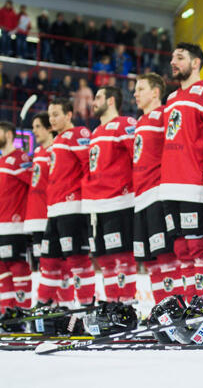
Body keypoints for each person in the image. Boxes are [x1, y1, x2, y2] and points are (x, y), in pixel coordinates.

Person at [160, 42, 203, 302]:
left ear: (196, 63)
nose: (174, 62)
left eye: (180, 57)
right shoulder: (171, 98)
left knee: (199, 247)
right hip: (170, 185)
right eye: (173, 57)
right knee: (181, 248)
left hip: (195, 183)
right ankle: (187, 306)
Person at [82, 86, 138, 302]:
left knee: (122, 257)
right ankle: (113, 305)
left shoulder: (125, 124)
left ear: (111, 100)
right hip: (96, 206)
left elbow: (138, 156)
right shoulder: (95, 132)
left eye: (98, 97)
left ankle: (127, 304)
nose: (93, 102)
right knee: (104, 259)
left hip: (119, 202)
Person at [40, 98, 94, 306]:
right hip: (54, 209)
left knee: (77, 260)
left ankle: (86, 307)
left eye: (56, 114)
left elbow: (89, 165)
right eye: (50, 115)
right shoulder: (58, 140)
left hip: (73, 208)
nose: (51, 119)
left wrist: (86, 198)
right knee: (50, 261)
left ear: (69, 115)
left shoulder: (78, 134)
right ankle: (50, 307)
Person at [132, 73, 178, 302]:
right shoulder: (140, 121)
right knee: (150, 260)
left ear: (155, 92)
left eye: (140, 89)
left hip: (157, 195)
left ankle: (175, 306)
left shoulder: (164, 115)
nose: (135, 94)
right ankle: (162, 308)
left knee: (166, 257)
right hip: (139, 197)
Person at [0, 121, 33, 312]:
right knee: (1, 270)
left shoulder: (20, 157)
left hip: (13, 225)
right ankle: (7, 311)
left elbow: (34, 184)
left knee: (18, 268)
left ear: (9, 135)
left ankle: (22, 310)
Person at [24, 112, 53, 288]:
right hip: (35, 218)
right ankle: (45, 300)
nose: (34, 131)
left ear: (49, 128)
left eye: (38, 127)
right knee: (39, 262)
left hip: (49, 215)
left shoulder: (55, 150)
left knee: (53, 262)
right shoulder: (37, 152)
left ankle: (61, 304)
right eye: (33, 127)